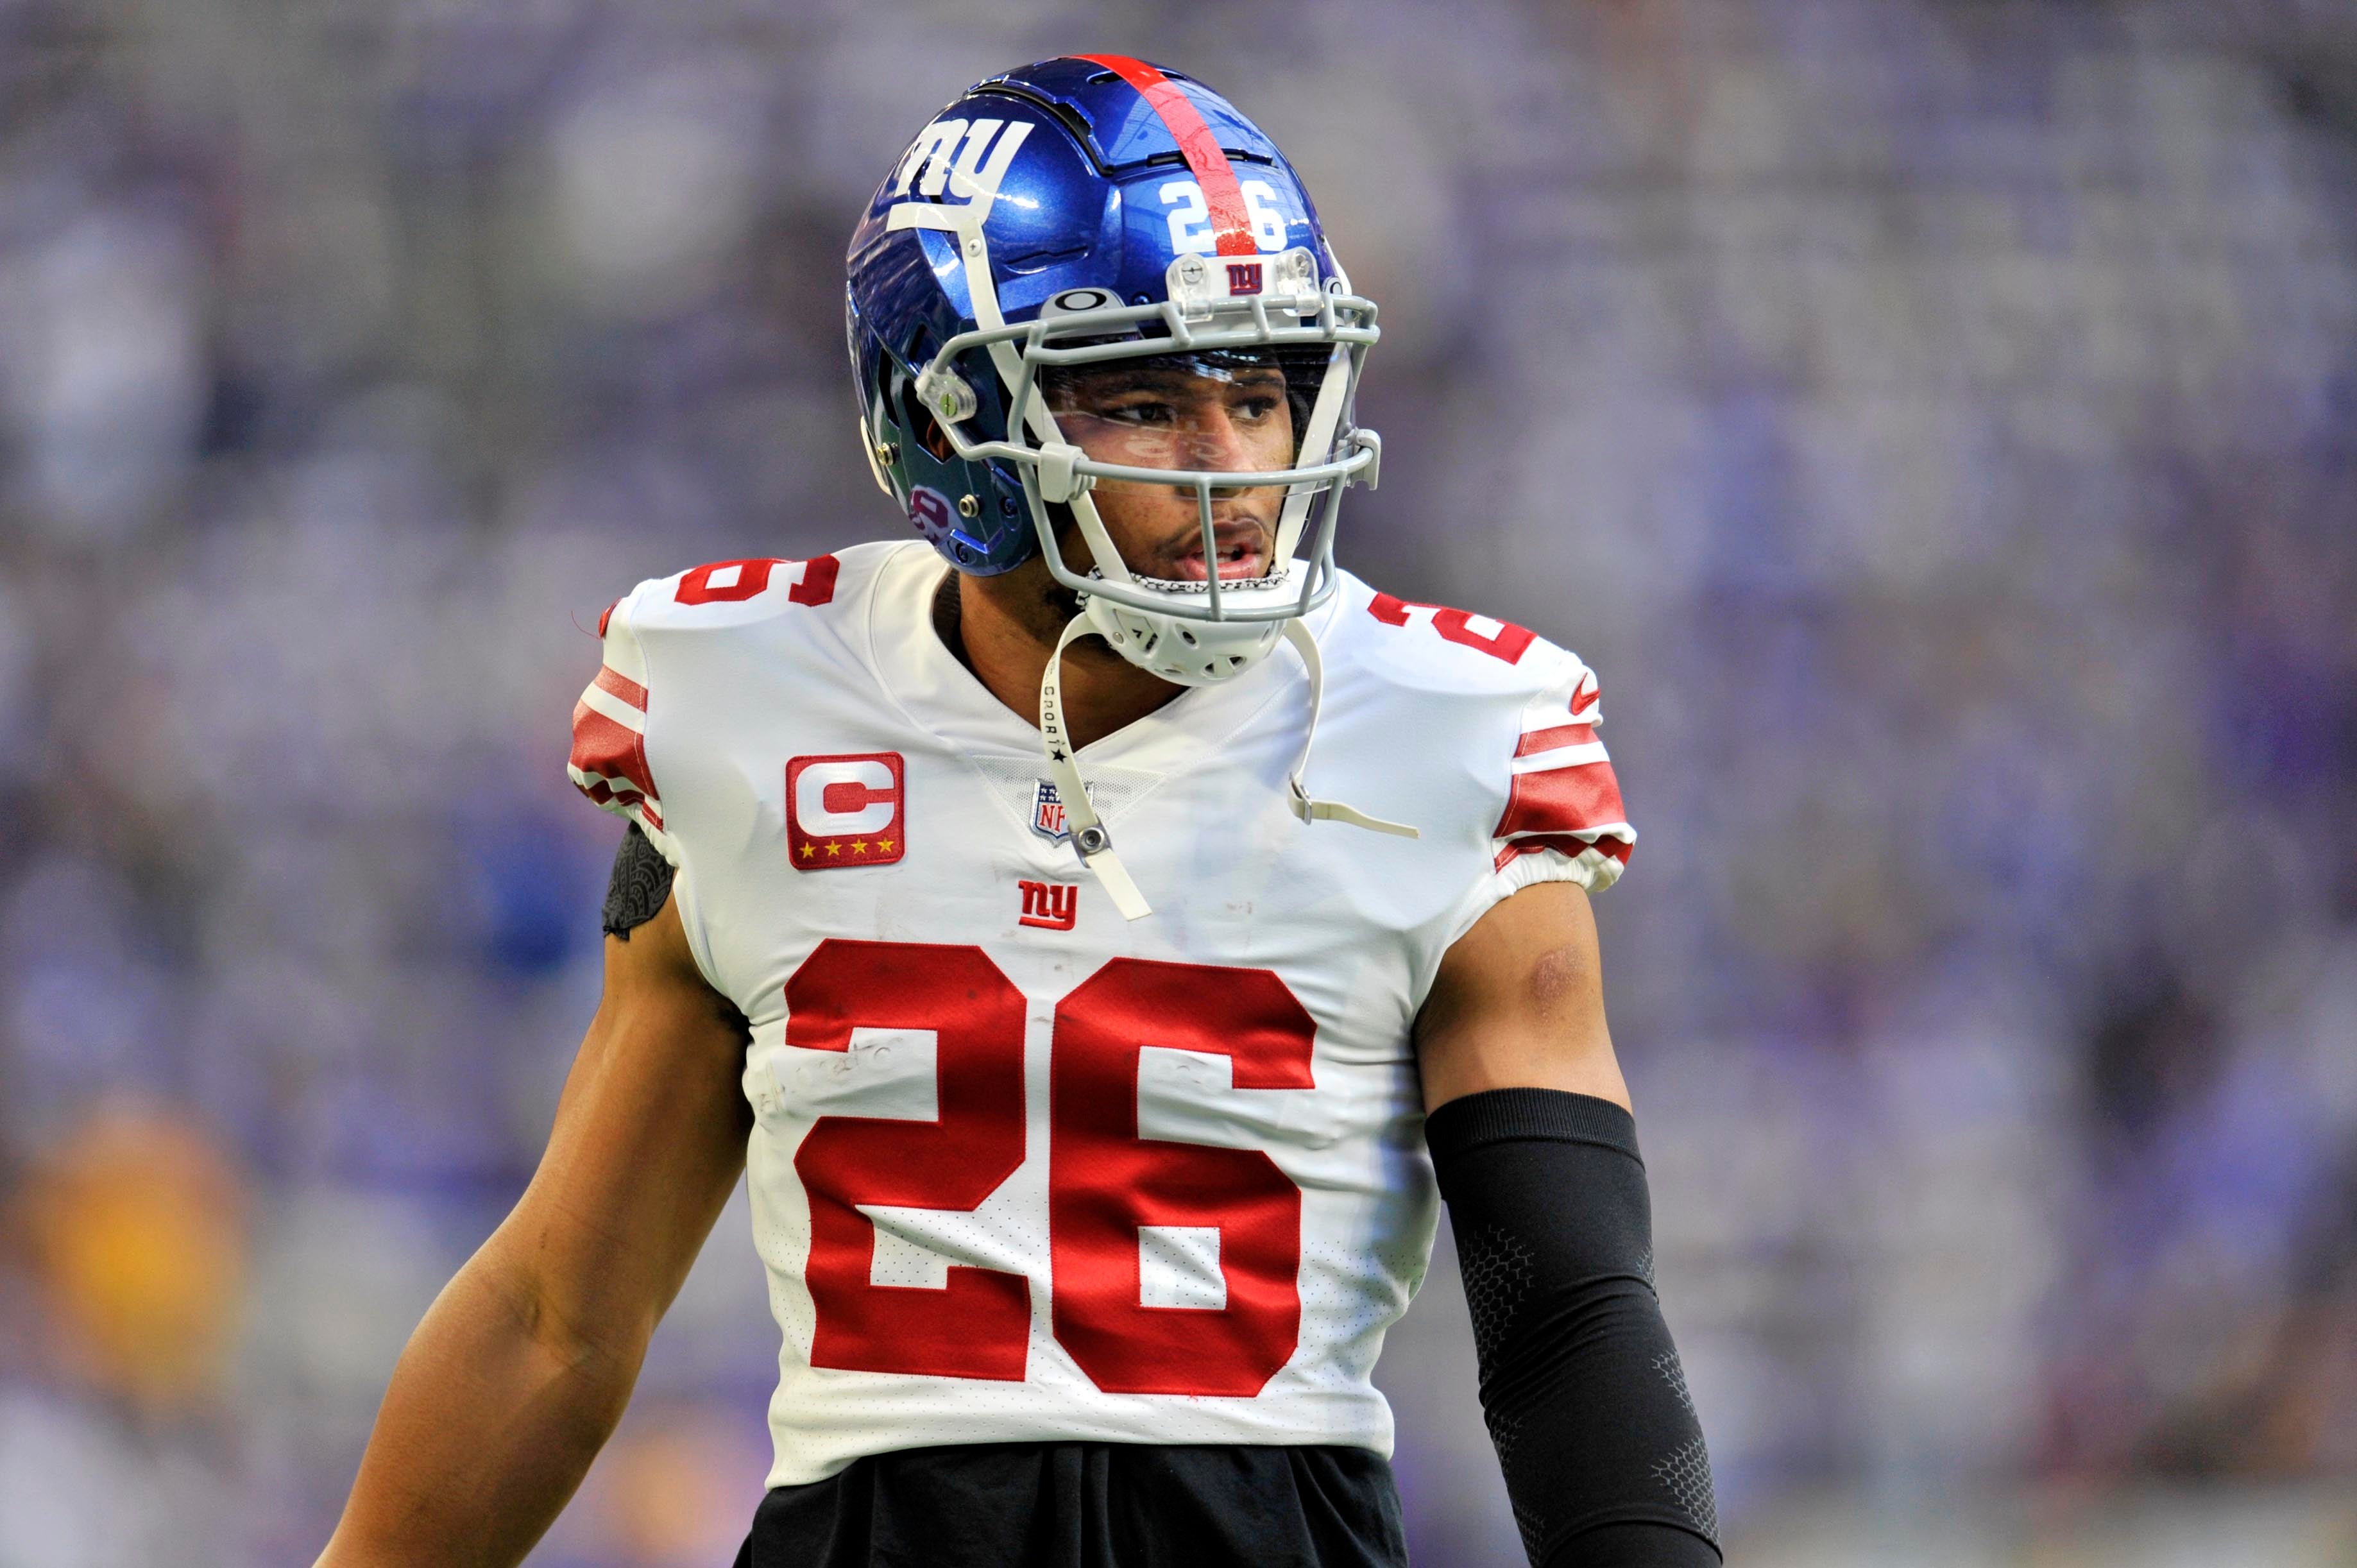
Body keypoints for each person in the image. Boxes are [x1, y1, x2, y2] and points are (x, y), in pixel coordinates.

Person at [316, 56, 1719, 1568]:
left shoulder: (1444, 733)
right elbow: (556, 1317)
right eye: (1144, 402)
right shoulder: (753, 709)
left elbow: (1571, 1315)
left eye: (1259, 393)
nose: (1234, 470)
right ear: (948, 422)